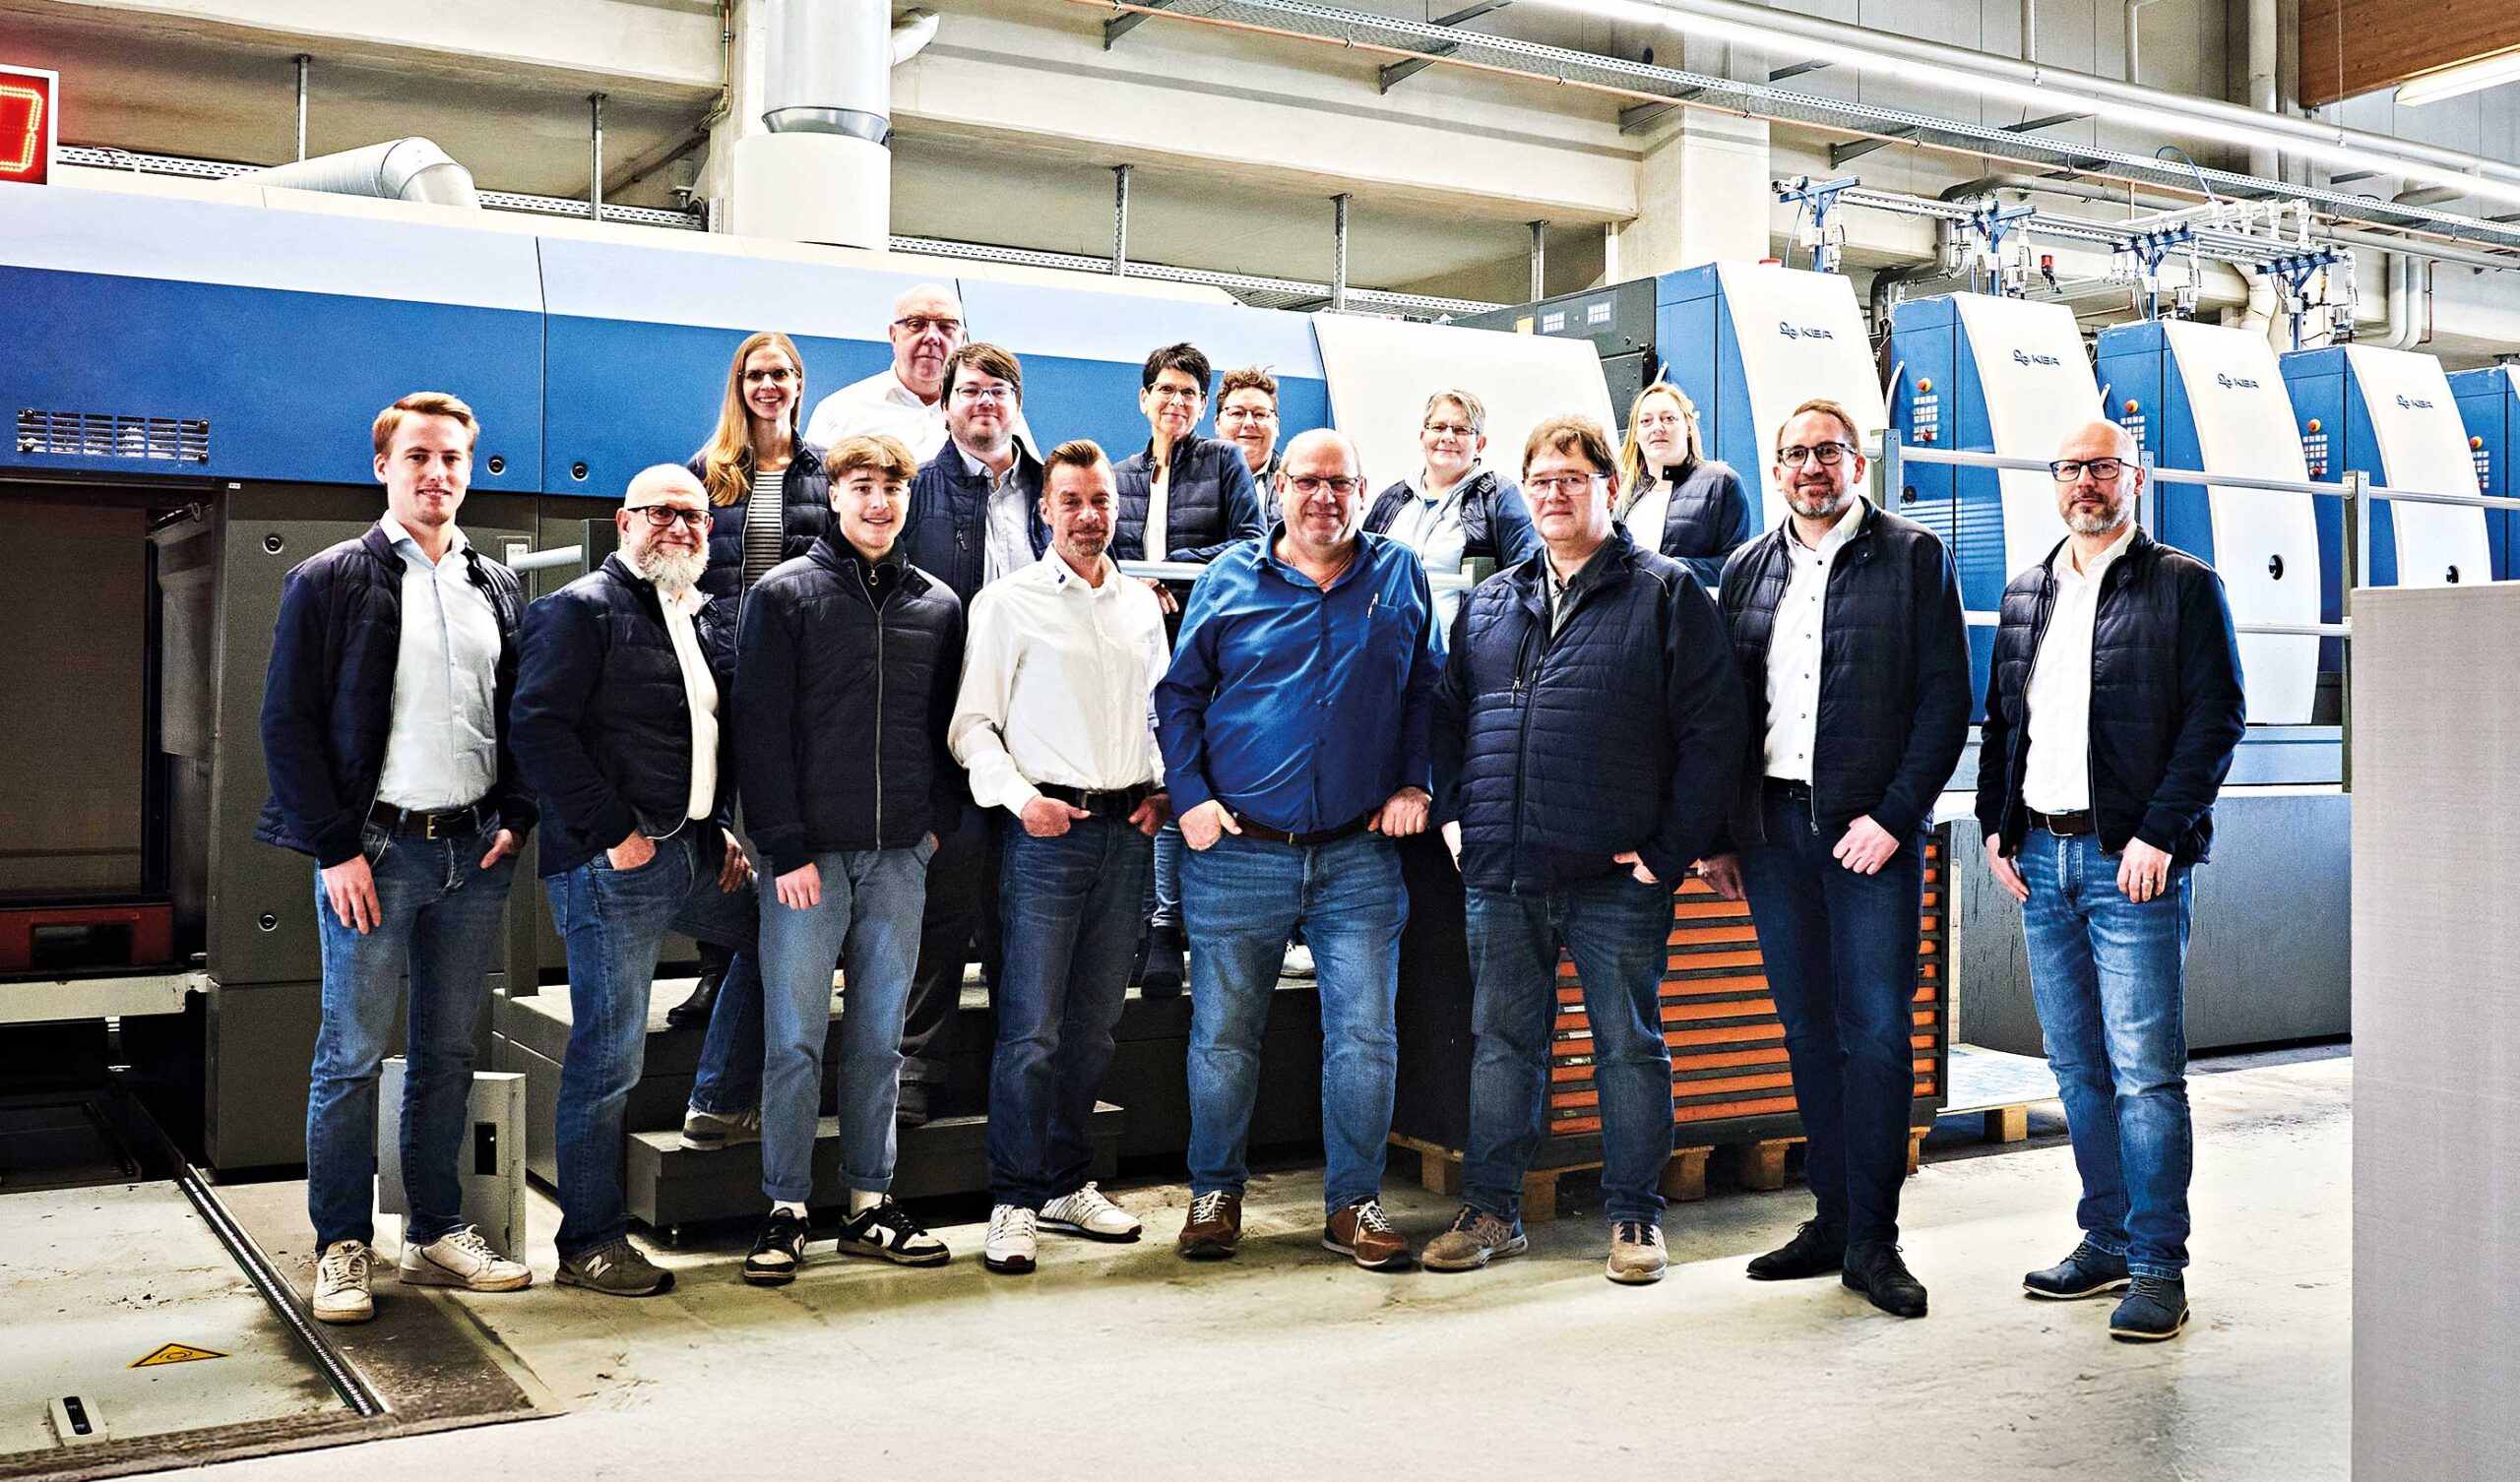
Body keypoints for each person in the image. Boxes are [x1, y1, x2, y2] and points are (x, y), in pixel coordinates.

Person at [1424, 413, 1746, 1284]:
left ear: (1610, 485)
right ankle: (1493, 1211)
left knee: (1627, 1047)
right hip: (1503, 870)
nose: (1554, 494)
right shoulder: (1493, 601)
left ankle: (1636, 1217)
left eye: (1572, 478)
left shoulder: (1665, 593)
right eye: (1540, 481)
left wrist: (1667, 852)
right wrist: (1455, 817)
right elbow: (1446, 715)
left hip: (1616, 877)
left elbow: (1714, 732)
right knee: (1502, 1045)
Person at [258, 392, 537, 1324]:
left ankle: (433, 1233)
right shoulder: (329, 580)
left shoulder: (495, 587)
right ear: (383, 466)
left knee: (447, 1051)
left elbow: (522, 716)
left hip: (473, 853)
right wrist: (334, 848)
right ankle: (342, 1244)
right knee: (350, 1054)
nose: (437, 473)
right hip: (374, 853)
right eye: (418, 456)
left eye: (453, 458)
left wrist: (516, 817)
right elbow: (288, 725)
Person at [1697, 398, 1970, 1321]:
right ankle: (1833, 1219)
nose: (1811, 467)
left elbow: (1945, 701)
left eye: (1829, 451)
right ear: (1775, 468)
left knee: (1878, 1033)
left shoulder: (1914, 556)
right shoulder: (1747, 568)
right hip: (1772, 836)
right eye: (1795, 454)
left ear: (1858, 462)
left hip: (1870, 839)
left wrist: (1895, 818)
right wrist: (1721, 833)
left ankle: (1876, 1241)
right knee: (1807, 1032)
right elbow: (1725, 713)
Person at [1978, 419, 2244, 1344]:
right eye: (2070, 468)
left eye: (2102, 467)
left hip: (2129, 862)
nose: (2084, 482)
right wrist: (1996, 827)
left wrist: (2159, 835)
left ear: (2135, 478)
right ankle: (2107, 1238)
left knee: (2145, 1075)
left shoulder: (2183, 585)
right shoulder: (2027, 591)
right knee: (2078, 1070)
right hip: (2040, 861)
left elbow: (2217, 718)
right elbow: (2002, 721)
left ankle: (2159, 1267)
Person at [1154, 428, 1440, 1270]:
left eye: (1340, 483)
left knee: (1365, 1036)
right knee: (1223, 1036)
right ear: (1278, 487)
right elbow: (1179, 697)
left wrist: (1417, 783)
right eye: (1308, 482)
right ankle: (1215, 1193)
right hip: (1238, 852)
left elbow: (1427, 689)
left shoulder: (1399, 574)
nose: (1324, 497)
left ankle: (1354, 1203)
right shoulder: (1227, 578)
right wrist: (1191, 799)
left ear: (1364, 491)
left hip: (1358, 855)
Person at [510, 465, 760, 1298]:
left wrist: (716, 827)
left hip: (691, 849)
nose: (680, 528)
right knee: (608, 1058)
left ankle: (717, 1097)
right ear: (624, 522)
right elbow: (537, 730)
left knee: (781, 932)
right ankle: (589, 1242)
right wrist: (614, 833)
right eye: (662, 514)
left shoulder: (698, 614)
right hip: (612, 863)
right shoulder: (578, 610)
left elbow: (703, 736)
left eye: (694, 517)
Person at [735, 433, 965, 1284]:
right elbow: (758, 730)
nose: (878, 503)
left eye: (892, 489)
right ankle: (785, 1209)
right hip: (807, 862)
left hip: (899, 857)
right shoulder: (783, 594)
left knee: (879, 1040)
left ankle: (870, 1203)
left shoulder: (939, 605)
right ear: (833, 496)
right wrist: (785, 848)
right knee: (794, 1040)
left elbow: (948, 730)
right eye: (862, 487)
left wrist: (930, 830)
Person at [949, 440, 1169, 1275]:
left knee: (1095, 1028)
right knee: (1031, 1030)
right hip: (1046, 835)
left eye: (1100, 500)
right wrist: (1021, 801)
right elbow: (972, 727)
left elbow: (1159, 712)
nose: (1087, 516)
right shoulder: (1007, 604)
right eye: (1070, 501)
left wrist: (1163, 790)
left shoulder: (1140, 606)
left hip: (1127, 837)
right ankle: (1013, 1198)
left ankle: (1067, 1183)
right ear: (1043, 510)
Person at [892, 342, 1047, 1127]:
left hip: (1041, 732)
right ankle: (916, 1072)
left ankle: (1026, 1084)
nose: (985, 403)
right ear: (946, 404)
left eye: (999, 391)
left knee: (1025, 912)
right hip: (945, 725)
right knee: (944, 905)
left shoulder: (1051, 489)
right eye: (971, 390)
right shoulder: (916, 490)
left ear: (1017, 404)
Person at [666, 331, 830, 1064]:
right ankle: (717, 966)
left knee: (786, 810)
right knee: (713, 814)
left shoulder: (822, 471)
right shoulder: (707, 471)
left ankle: (793, 952)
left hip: (796, 668)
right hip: (718, 661)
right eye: (756, 375)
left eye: (781, 374)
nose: (769, 386)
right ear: (740, 385)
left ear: (798, 383)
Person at [1115, 341, 1267, 997]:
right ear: (1144, 399)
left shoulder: (1224, 461)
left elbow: (1252, 542)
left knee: (1184, 778)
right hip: (1133, 643)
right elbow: (1104, 550)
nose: (1175, 402)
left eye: (1188, 394)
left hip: (1200, 646)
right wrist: (1136, 581)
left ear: (1203, 406)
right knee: (1144, 780)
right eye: (1165, 390)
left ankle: (1168, 930)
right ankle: (1143, 924)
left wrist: (1176, 567)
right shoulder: (1120, 474)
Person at [1361, 388, 1541, 629]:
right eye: (1438, 427)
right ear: (1422, 436)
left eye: (1461, 430)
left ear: (1480, 443)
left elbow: (1528, 577)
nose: (1447, 437)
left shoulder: (1497, 496)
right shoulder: (1392, 500)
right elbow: (1361, 572)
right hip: (1390, 644)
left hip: (1462, 647)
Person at [804, 282, 1036, 460]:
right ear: (893, 335)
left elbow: (1031, 489)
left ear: (962, 340)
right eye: (916, 324)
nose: (932, 337)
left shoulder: (993, 413)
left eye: (946, 327)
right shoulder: (838, 412)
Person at [1615, 381, 1753, 590]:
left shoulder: (1721, 482)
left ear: (1688, 427)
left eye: (1669, 418)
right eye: (1646, 421)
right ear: (1635, 434)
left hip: (1686, 608)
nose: (1657, 428)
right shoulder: (1621, 491)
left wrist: (1671, 569)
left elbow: (1737, 567)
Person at [1216, 366, 1285, 520]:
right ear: (1217, 423)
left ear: (1276, 425)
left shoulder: (1297, 486)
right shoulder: (1189, 483)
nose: (1248, 423)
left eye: (1260, 414)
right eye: (1237, 413)